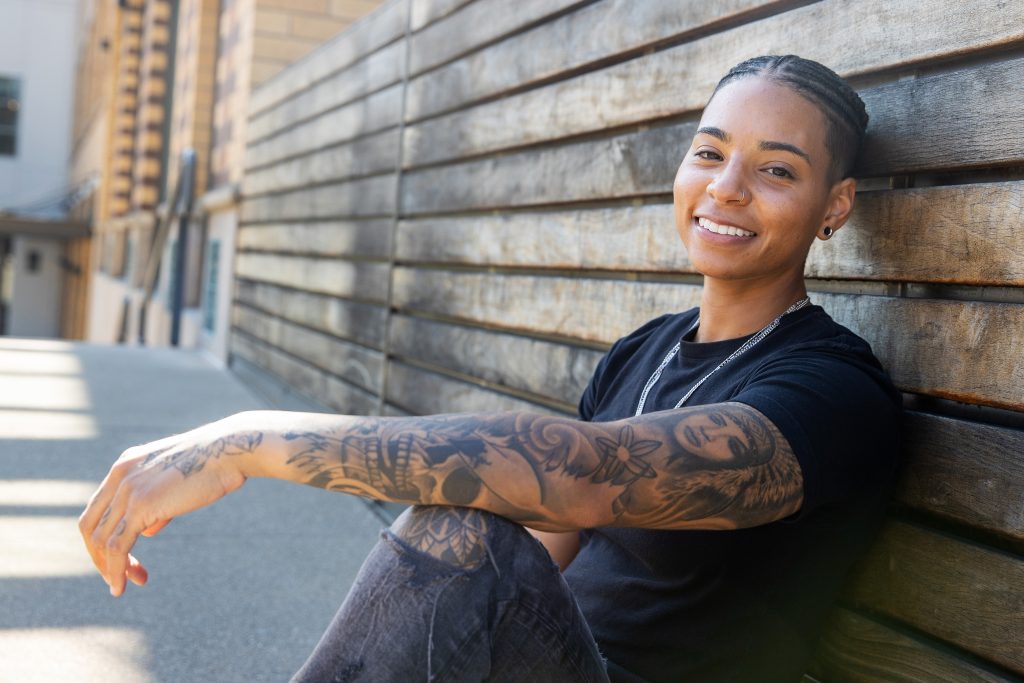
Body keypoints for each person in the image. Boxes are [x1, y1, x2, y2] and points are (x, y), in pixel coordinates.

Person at [79, 55, 901, 682]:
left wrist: (250, 440)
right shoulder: (645, 350)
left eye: (777, 169)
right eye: (709, 152)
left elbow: (580, 475)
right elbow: (546, 536)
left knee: (464, 519)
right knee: (465, 515)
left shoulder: (832, 391)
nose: (726, 188)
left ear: (835, 206)